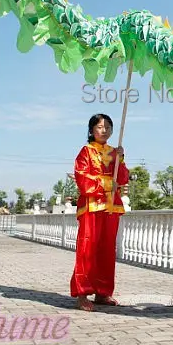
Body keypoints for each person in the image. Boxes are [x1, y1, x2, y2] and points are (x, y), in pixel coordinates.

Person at [70, 114, 129, 311]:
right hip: (92, 205)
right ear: (91, 130)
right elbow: (81, 178)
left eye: (108, 127)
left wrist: (121, 159)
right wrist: (105, 183)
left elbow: (122, 178)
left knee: (106, 250)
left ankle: (103, 292)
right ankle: (82, 293)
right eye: (100, 127)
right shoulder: (86, 151)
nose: (104, 130)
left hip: (111, 206)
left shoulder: (114, 152)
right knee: (88, 249)